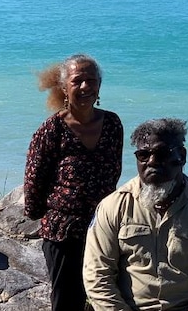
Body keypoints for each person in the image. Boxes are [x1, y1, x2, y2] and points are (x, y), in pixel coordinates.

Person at [83, 118, 188, 311]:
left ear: (181, 156)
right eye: (143, 155)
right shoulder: (113, 207)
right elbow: (97, 275)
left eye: (162, 153)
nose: (152, 162)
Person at [23, 54, 124, 311]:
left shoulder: (112, 124)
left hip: (104, 228)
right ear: (64, 87)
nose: (85, 87)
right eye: (78, 81)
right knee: (67, 301)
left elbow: (114, 173)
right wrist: (47, 216)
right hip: (63, 233)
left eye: (91, 80)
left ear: (99, 86)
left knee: (108, 297)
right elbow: (33, 186)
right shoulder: (51, 130)